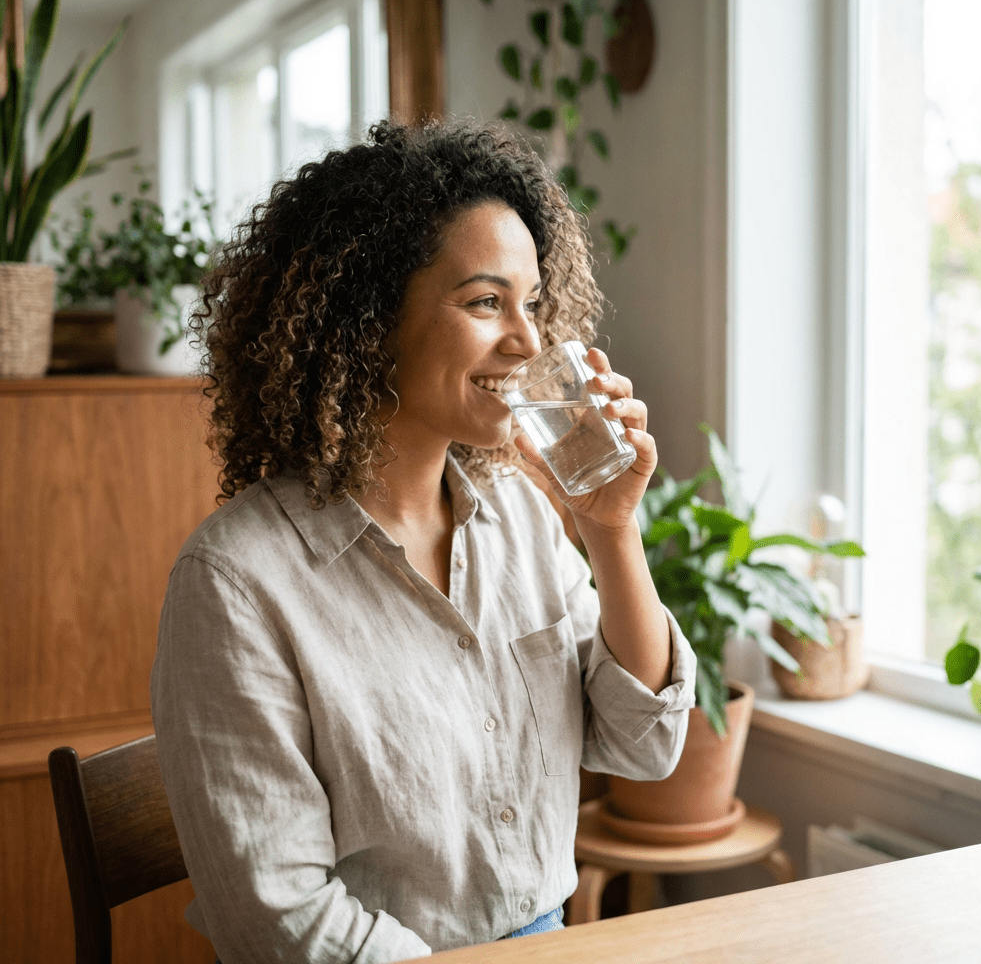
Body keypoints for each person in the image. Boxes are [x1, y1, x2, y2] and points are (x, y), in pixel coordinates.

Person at [150, 119, 697, 964]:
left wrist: (610, 531)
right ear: (367, 319)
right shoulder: (236, 582)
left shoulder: (520, 514)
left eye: (534, 304)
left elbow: (646, 744)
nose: (528, 341)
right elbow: (278, 920)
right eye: (486, 301)